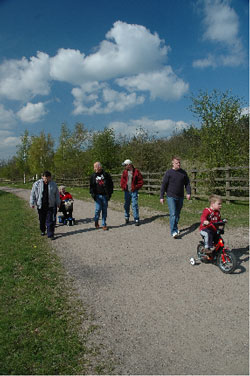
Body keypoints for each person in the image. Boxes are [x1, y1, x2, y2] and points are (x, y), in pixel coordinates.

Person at [160, 156, 191, 238]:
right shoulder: (169, 173)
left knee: (177, 214)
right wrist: (161, 196)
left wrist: (188, 193)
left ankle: (175, 227)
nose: (178, 164)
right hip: (171, 196)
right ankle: (173, 231)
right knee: (173, 214)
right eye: (177, 163)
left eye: (179, 163)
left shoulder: (183, 173)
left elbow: (187, 183)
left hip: (180, 196)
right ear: (173, 163)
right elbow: (164, 185)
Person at [30, 171, 61, 239]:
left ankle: (50, 234)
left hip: (50, 205)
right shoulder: (37, 184)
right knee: (42, 220)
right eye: (45, 178)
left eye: (48, 178)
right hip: (40, 205)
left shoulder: (53, 184)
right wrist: (32, 203)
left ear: (50, 178)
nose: (46, 180)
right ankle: (43, 230)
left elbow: (57, 195)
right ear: (42, 177)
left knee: (50, 220)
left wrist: (58, 203)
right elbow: (33, 194)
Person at [89, 162, 113, 230]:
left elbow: (111, 184)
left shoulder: (106, 175)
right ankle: (96, 220)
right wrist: (93, 194)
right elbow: (91, 186)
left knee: (104, 210)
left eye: (96, 166)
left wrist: (110, 193)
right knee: (98, 210)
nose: (95, 168)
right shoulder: (93, 176)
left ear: (100, 167)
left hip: (105, 195)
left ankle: (104, 224)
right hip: (97, 196)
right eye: (94, 167)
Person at [120, 159, 144, 226]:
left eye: (125, 165)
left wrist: (136, 187)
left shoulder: (136, 172)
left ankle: (136, 219)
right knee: (126, 204)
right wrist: (123, 187)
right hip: (127, 191)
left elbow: (141, 181)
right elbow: (122, 181)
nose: (124, 166)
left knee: (134, 205)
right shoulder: (124, 172)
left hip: (134, 191)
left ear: (129, 165)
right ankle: (126, 217)